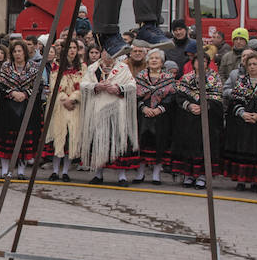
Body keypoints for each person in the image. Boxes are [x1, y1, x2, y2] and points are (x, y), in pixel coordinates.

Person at [79, 48, 137, 183]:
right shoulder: (93, 68)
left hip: (117, 110)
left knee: (119, 142)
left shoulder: (123, 68)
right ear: (101, 53)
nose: (108, 55)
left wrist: (118, 89)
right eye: (106, 52)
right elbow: (83, 84)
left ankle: (122, 176)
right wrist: (96, 86)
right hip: (98, 110)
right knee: (99, 141)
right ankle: (98, 174)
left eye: (112, 53)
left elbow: (132, 85)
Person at [168, 51, 223, 188]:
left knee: (205, 146)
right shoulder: (187, 78)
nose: (200, 63)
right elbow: (179, 96)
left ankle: (203, 176)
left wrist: (204, 107)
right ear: (193, 63)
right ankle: (189, 175)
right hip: (188, 119)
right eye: (198, 60)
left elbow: (217, 97)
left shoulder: (214, 77)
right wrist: (189, 105)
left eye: (204, 61)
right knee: (188, 146)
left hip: (207, 119)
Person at [0, 40, 42, 178]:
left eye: (20, 51)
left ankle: (20, 171)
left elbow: (38, 87)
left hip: (26, 108)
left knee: (24, 140)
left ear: (25, 52)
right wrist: (13, 93)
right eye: (15, 51)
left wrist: (25, 94)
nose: (17, 54)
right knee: (6, 140)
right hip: (7, 109)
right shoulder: (6, 67)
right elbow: (1, 85)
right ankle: (5, 171)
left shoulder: (34, 67)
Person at [221, 51, 257, 190]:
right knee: (241, 150)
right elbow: (235, 100)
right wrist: (242, 113)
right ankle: (241, 181)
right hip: (242, 121)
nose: (252, 67)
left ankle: (255, 182)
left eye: (255, 64)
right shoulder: (241, 81)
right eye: (249, 64)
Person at [42, 41, 83, 182]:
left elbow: (83, 85)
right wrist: (64, 99)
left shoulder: (82, 67)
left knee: (70, 139)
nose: (71, 50)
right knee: (58, 136)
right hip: (59, 107)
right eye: (69, 48)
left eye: (74, 48)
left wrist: (74, 98)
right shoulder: (56, 65)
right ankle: (55, 170)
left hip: (75, 107)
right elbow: (54, 85)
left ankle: (65, 171)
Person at [135, 47, 176, 185]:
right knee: (142, 144)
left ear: (162, 61)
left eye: (156, 58)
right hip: (143, 115)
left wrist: (159, 109)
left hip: (161, 116)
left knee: (159, 144)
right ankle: (140, 173)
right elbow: (135, 96)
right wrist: (144, 108)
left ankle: (156, 174)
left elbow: (171, 97)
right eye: (151, 58)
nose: (154, 60)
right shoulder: (141, 76)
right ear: (147, 61)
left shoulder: (168, 77)